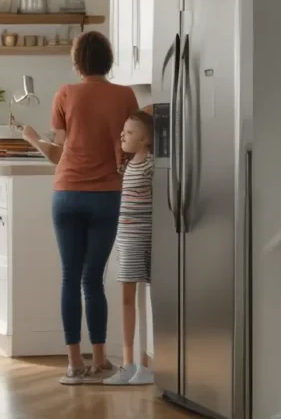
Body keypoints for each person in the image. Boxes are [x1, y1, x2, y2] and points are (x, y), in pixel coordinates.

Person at [22, 30, 139, 385]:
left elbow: (58, 154)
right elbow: (131, 148)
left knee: (70, 277)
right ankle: (100, 360)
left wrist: (32, 138)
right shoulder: (125, 96)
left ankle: (73, 364)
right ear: (110, 59)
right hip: (106, 196)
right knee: (93, 279)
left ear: (77, 63)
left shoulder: (66, 93)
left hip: (67, 195)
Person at [105, 111, 155, 386]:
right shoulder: (128, 166)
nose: (123, 135)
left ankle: (144, 365)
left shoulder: (150, 166)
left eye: (131, 132)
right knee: (126, 299)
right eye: (123, 131)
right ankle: (128, 363)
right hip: (124, 239)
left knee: (141, 300)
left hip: (141, 240)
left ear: (146, 141)